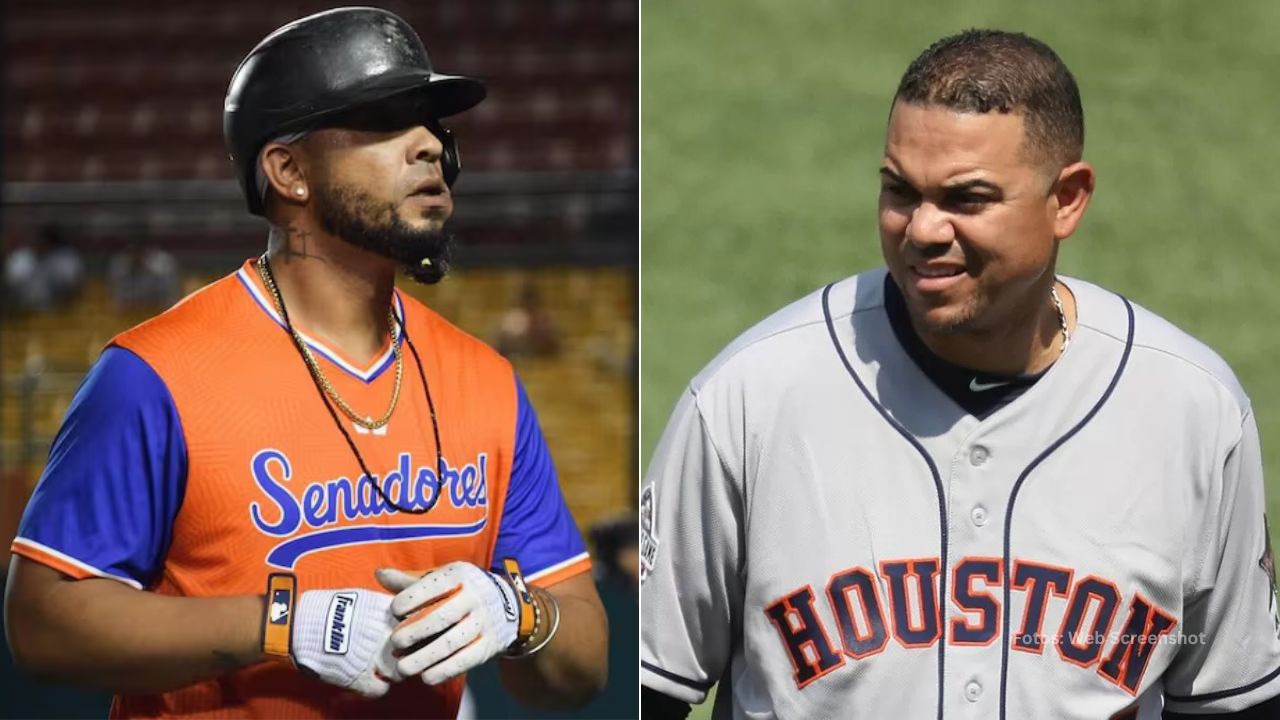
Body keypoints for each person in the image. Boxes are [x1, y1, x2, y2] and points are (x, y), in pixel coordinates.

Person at [640, 29, 1280, 719]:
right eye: (899, 191)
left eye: (965, 199)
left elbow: (1232, 697)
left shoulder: (1192, 409)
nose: (921, 230)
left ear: (1067, 199)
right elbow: (647, 687)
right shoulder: (750, 398)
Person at [5, 8, 608, 718]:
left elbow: (585, 663)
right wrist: (279, 625)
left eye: (432, 125)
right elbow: (40, 623)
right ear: (287, 170)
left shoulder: (487, 382)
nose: (429, 147)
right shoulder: (154, 374)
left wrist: (518, 614)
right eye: (386, 121)